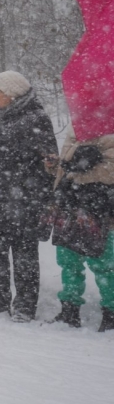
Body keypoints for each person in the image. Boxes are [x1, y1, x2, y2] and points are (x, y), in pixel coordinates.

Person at [0, 71, 57, 321]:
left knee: (25, 256)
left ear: (13, 95)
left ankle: (25, 307)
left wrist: (38, 195)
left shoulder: (37, 118)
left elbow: (50, 165)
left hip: (24, 201)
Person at [48, 132, 114, 332]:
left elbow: (110, 171)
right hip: (70, 207)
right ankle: (70, 309)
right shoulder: (74, 131)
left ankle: (111, 313)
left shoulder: (110, 131)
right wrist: (55, 168)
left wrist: (84, 167)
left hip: (101, 209)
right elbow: (65, 170)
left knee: (103, 264)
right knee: (68, 261)